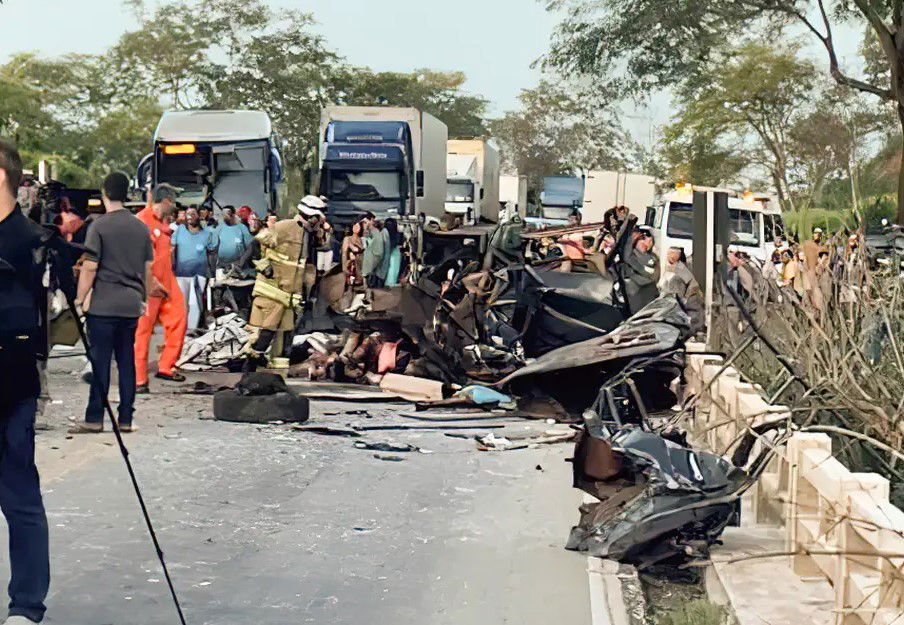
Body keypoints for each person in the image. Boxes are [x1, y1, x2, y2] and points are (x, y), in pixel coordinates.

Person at [0, 138, 51, 624]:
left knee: (19, 495)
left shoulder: (28, 240)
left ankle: (26, 603)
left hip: (10, 382)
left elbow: (34, 318)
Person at [69, 172, 154, 435]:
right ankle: (126, 418)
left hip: (104, 306)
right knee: (126, 361)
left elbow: (90, 267)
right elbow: (148, 269)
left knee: (101, 361)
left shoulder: (99, 226)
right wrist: (144, 299)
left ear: (105, 193)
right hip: (130, 305)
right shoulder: (140, 226)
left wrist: (80, 298)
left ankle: (95, 417)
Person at [244, 196, 325, 369]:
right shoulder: (284, 227)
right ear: (312, 216)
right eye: (319, 217)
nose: (321, 221)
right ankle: (249, 371)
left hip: (289, 296)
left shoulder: (307, 235)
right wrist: (265, 267)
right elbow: (255, 247)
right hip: (272, 292)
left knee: (283, 340)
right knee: (264, 335)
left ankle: (277, 378)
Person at [134, 184, 187, 392]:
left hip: (167, 280)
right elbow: (140, 256)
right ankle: (139, 379)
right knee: (142, 331)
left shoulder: (161, 223)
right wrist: (149, 282)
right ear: (165, 201)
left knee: (179, 316)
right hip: (149, 282)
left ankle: (166, 365)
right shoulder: (142, 221)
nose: (174, 208)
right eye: (172, 203)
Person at [171, 206, 217, 331]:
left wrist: (212, 274)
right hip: (181, 273)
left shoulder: (207, 234)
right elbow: (172, 250)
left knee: (196, 303)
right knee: (181, 304)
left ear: (199, 216)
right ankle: (182, 330)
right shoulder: (179, 230)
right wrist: (170, 269)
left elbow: (211, 254)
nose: (190, 216)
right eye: (187, 214)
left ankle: (192, 330)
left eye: (192, 213)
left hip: (200, 274)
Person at [661, 246, 704, 333]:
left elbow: (693, 284)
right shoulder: (666, 266)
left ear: (678, 255)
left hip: (678, 301)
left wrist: (686, 298)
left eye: (673, 254)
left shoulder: (681, 268)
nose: (670, 256)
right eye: (669, 253)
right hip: (667, 302)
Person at [361, 219, 386, 288]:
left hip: (371, 261)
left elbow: (378, 251)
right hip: (372, 260)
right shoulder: (376, 234)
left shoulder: (376, 234)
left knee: (369, 279)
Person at [341, 221, 365, 287]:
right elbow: (344, 253)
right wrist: (344, 267)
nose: (356, 228)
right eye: (354, 226)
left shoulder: (361, 239)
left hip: (359, 266)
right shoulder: (347, 238)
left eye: (357, 226)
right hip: (350, 264)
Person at [383, 218, 402, 286]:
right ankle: (391, 282)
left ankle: (389, 282)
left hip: (390, 254)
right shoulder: (397, 235)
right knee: (392, 270)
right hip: (394, 254)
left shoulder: (383, 234)